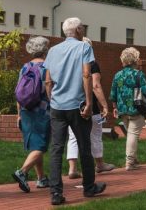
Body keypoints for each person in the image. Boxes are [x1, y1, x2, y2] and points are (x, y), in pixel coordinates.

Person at [44, 17, 106, 206]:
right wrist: (89, 102)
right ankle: (89, 187)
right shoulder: (84, 47)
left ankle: (55, 193)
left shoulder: (53, 50)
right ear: (79, 30)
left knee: (56, 149)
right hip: (77, 105)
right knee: (84, 146)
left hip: (57, 106)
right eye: (83, 28)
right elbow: (86, 74)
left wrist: (51, 98)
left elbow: (48, 80)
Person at [67, 38, 116, 177]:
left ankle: (72, 169)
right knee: (95, 134)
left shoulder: (70, 65)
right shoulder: (92, 64)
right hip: (90, 106)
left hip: (72, 105)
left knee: (73, 137)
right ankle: (100, 164)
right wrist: (105, 105)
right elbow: (95, 85)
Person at [12, 36, 51, 193]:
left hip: (26, 111)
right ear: (45, 50)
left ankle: (41, 178)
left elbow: (19, 92)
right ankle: (22, 172)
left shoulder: (25, 67)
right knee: (41, 145)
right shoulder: (47, 67)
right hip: (42, 111)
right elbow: (50, 91)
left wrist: (19, 114)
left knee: (35, 145)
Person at [110, 46, 146, 171]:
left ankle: (134, 159)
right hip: (136, 108)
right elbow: (145, 90)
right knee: (133, 135)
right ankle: (130, 162)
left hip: (122, 109)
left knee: (130, 134)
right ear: (135, 60)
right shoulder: (138, 74)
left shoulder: (118, 75)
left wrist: (115, 107)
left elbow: (113, 93)